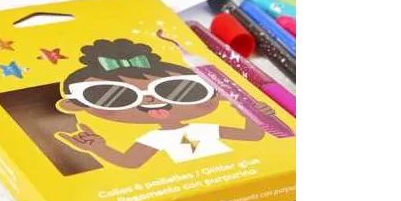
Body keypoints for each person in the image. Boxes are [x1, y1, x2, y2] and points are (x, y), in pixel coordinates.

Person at [56, 39, 273, 168]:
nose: (150, 99)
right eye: (116, 96)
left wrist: (251, 114)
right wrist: (99, 149)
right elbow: (131, 162)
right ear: (77, 105)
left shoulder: (204, 129)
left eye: (177, 89)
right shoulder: (154, 138)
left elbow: (252, 135)